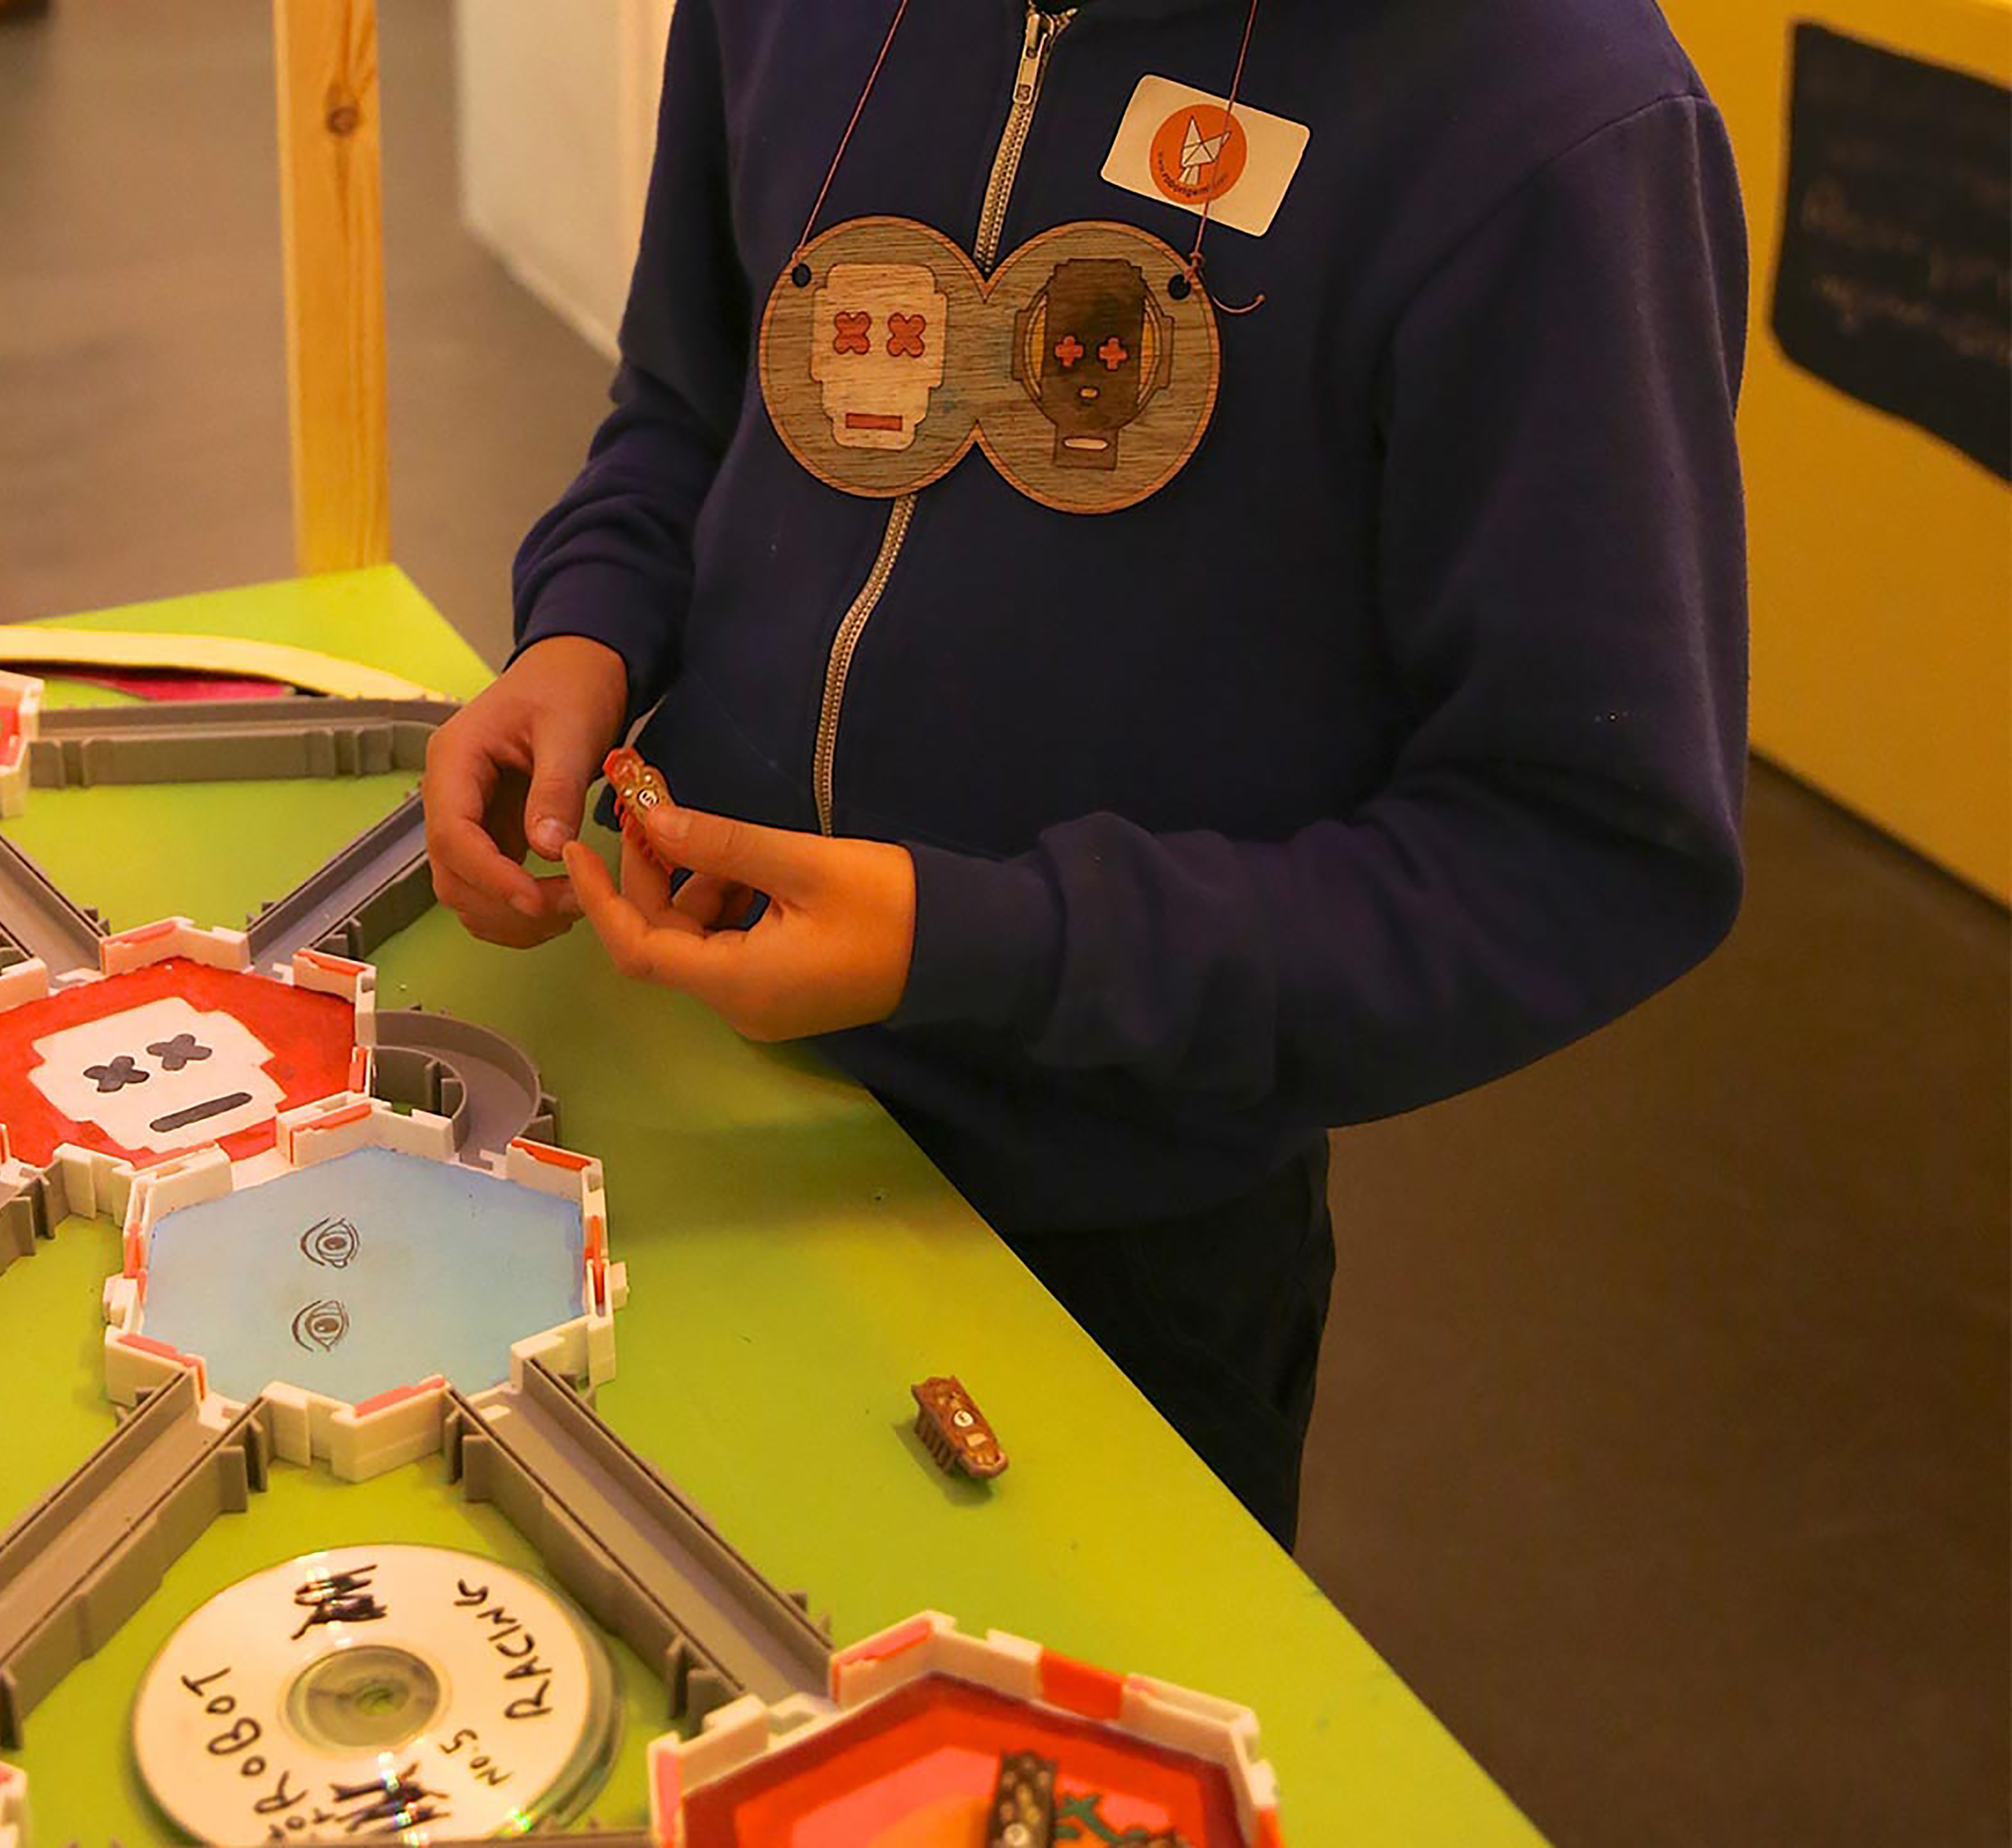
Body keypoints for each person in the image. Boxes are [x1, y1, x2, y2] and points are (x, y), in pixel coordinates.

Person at [423, 0, 1749, 1547]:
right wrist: (584, 628)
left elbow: (1583, 844)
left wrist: (988, 941)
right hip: (662, 1101)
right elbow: (687, 405)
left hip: (1109, 1224)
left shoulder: (1549, 109)